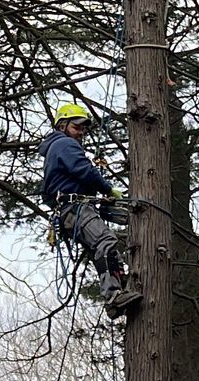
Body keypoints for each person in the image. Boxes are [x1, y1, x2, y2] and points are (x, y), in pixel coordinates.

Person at [41, 101, 141, 319]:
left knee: (104, 245)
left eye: (83, 129)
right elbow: (84, 170)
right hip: (75, 209)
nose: (81, 132)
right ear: (62, 126)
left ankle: (120, 288)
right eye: (76, 127)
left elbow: (47, 192)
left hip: (69, 211)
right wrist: (107, 189)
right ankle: (113, 295)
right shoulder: (64, 144)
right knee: (105, 240)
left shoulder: (53, 150)